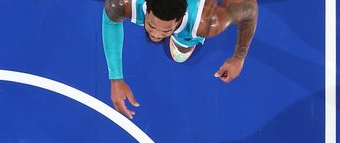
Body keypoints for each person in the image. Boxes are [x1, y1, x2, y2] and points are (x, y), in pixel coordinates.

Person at [102, 0, 259, 118]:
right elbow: (110, 20)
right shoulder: (124, 4)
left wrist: (239, 57)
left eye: (166, 30)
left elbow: (249, 9)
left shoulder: (207, 21)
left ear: (180, 18)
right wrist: (115, 77)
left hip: (195, 21)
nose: (156, 35)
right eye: (151, 25)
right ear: (146, 8)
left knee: (179, 55)